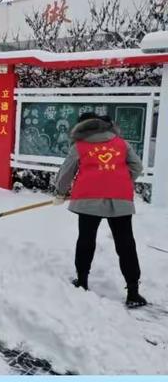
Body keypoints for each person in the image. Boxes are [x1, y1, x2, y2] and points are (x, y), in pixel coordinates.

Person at [54, 112, 147, 308]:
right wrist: (120, 180)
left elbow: (66, 173)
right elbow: (137, 166)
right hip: (120, 199)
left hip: (88, 198)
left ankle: (82, 281)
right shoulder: (121, 144)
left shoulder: (79, 146)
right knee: (125, 243)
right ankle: (133, 292)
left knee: (86, 239)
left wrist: (60, 192)